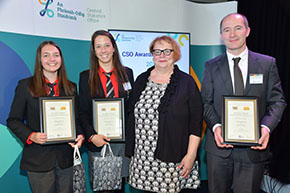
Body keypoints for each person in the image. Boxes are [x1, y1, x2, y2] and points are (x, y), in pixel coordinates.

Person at [201, 13, 287, 193]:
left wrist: (266, 128)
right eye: (226, 30)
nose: (232, 34)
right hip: (219, 149)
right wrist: (216, 126)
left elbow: (278, 100)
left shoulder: (266, 64)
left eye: (237, 28)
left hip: (253, 149)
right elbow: (205, 102)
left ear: (247, 31)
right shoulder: (210, 66)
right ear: (221, 35)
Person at [125, 36, 203, 193]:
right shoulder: (141, 80)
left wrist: (191, 155)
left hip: (173, 158)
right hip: (142, 159)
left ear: (175, 54)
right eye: (157, 51)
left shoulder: (187, 83)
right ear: (152, 54)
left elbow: (196, 123)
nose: (162, 55)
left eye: (167, 51)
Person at [6, 41, 84, 193]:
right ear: (40, 60)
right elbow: (13, 120)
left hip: (66, 159)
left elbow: (77, 119)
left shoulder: (71, 87)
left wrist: (80, 135)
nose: (52, 59)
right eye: (46, 55)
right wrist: (31, 135)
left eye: (56, 55)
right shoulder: (25, 86)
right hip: (38, 159)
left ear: (61, 59)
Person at [78, 30, 134, 193]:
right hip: (99, 143)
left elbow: (131, 107)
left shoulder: (127, 73)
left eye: (107, 45)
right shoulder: (86, 77)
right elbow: (82, 112)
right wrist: (91, 136)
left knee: (121, 188)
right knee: (104, 190)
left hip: (122, 144)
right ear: (94, 51)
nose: (103, 50)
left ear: (114, 48)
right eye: (98, 46)